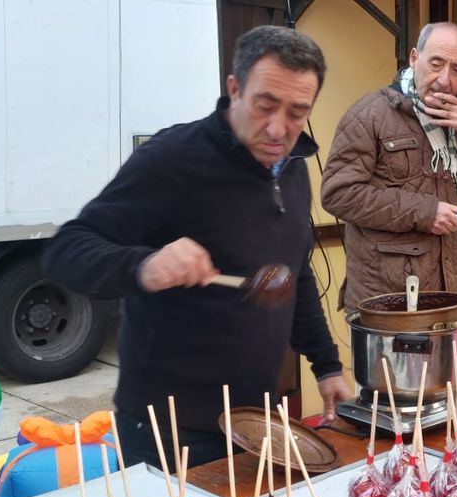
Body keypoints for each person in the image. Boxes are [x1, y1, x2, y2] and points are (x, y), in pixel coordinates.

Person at [42, 25, 351, 469]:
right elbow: (66, 252)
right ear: (234, 89)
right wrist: (145, 265)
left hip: (253, 421)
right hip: (169, 427)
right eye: (265, 106)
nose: (278, 129)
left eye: (297, 113)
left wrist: (326, 365)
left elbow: (293, 275)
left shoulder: (293, 168)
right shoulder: (173, 159)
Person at [321, 21, 457, 309]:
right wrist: (425, 212)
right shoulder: (370, 114)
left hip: (449, 295)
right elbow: (338, 194)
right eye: (436, 64)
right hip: (385, 301)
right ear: (415, 58)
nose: (444, 80)